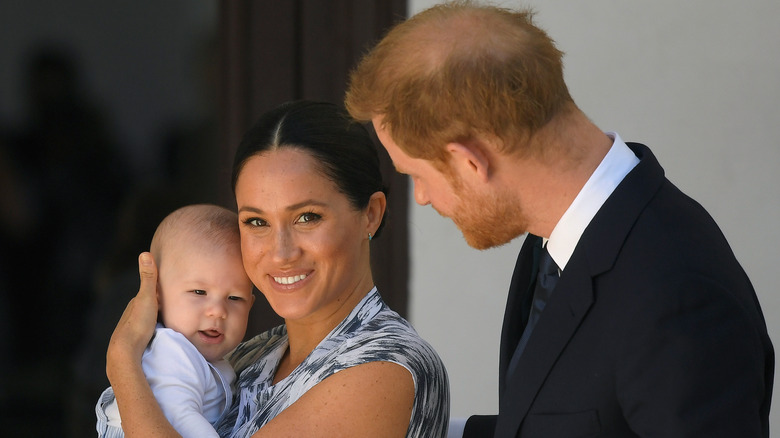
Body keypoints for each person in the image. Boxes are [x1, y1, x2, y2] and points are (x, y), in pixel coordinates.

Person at [345, 2, 773, 437]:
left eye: (417, 175)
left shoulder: (678, 296)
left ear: (470, 162)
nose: (422, 198)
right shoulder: (560, 236)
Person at [104, 101, 450, 437]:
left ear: (371, 214)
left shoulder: (383, 367)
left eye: (307, 217)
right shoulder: (252, 354)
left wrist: (122, 362)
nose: (281, 253)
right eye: (257, 221)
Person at [96, 204, 255, 437]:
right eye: (199, 292)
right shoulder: (172, 353)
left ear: (251, 304)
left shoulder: (201, 356)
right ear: (157, 295)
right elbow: (179, 417)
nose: (218, 311)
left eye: (235, 298)